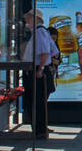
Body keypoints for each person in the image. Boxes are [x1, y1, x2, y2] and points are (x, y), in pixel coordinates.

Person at [21, 9, 56, 140]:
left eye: (29, 19)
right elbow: (54, 51)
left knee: (36, 102)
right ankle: (39, 129)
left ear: (35, 19)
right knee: (37, 101)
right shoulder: (42, 32)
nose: (27, 22)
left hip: (37, 71)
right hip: (37, 68)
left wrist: (40, 68)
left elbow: (46, 53)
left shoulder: (39, 32)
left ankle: (39, 130)